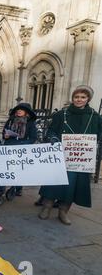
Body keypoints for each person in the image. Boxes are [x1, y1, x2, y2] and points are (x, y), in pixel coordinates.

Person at [38, 85, 102, 225]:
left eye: (83, 97)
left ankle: (63, 211)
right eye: (76, 97)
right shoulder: (62, 114)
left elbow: (100, 136)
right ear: (72, 98)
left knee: (72, 186)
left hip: (81, 160)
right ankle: (46, 207)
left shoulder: (95, 117)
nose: (79, 99)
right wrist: (54, 139)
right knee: (54, 183)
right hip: (61, 156)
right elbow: (51, 131)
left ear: (88, 99)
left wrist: (95, 146)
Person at [3, 102, 38, 196]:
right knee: (7, 167)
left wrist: (22, 143)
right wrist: (5, 135)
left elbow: (33, 138)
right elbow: (4, 132)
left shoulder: (30, 123)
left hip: (22, 148)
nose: (19, 111)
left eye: (21, 110)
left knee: (19, 168)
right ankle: (2, 186)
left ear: (26, 112)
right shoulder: (10, 120)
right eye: (18, 109)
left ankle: (18, 188)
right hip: (9, 146)